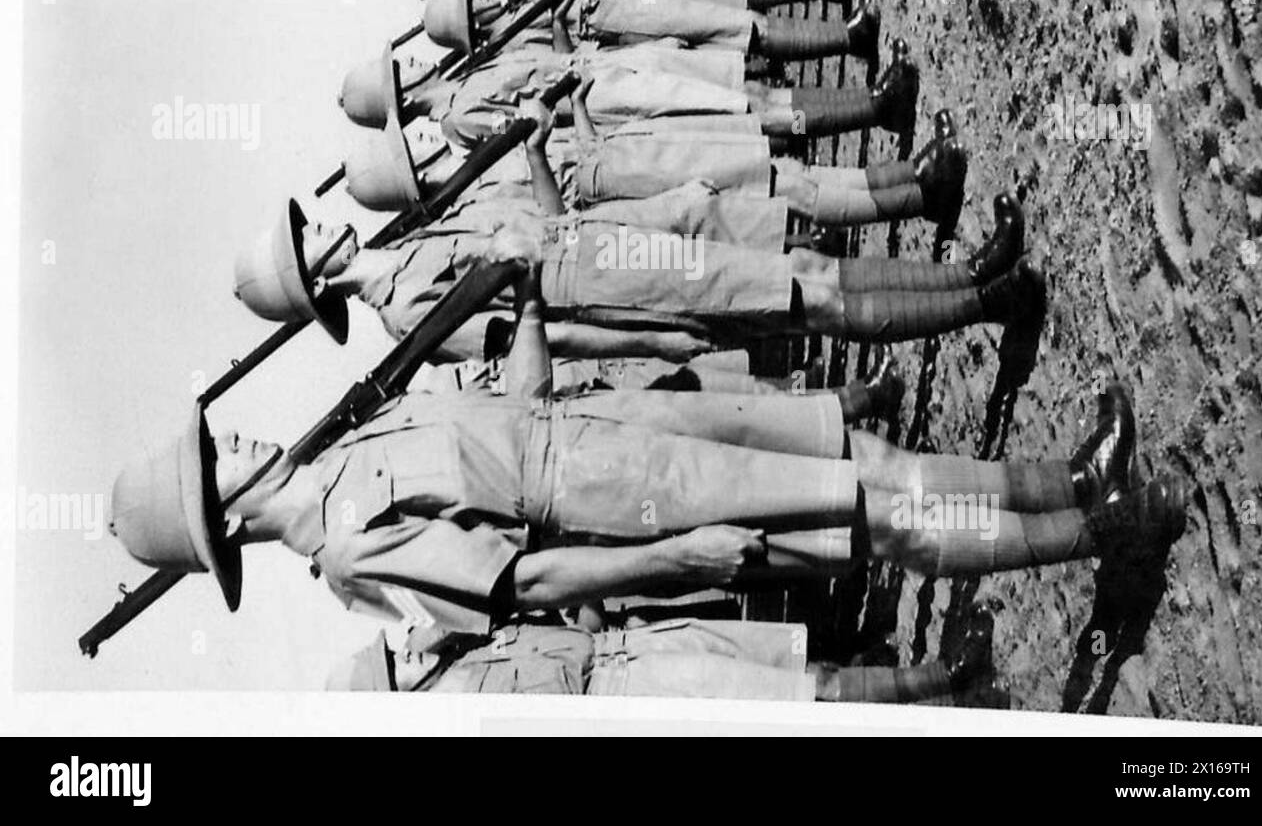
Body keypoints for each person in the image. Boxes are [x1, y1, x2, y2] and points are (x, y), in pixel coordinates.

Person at [113, 258, 1185, 639]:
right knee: (881, 516)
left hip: (625, 427)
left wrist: (523, 304)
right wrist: (679, 561)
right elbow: (528, 579)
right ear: (225, 517)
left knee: (865, 467)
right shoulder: (348, 550)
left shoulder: (360, 432)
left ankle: (1069, 479)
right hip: (639, 504)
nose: (238, 437)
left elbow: (512, 416)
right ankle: (1096, 532)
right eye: (217, 459)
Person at [325, 609, 995, 704]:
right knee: (800, 694)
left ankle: (903, 675)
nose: (404, 640)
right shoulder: (461, 702)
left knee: (792, 669)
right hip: (630, 691)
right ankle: (943, 674)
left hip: (630, 649)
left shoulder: (462, 654)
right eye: (394, 657)